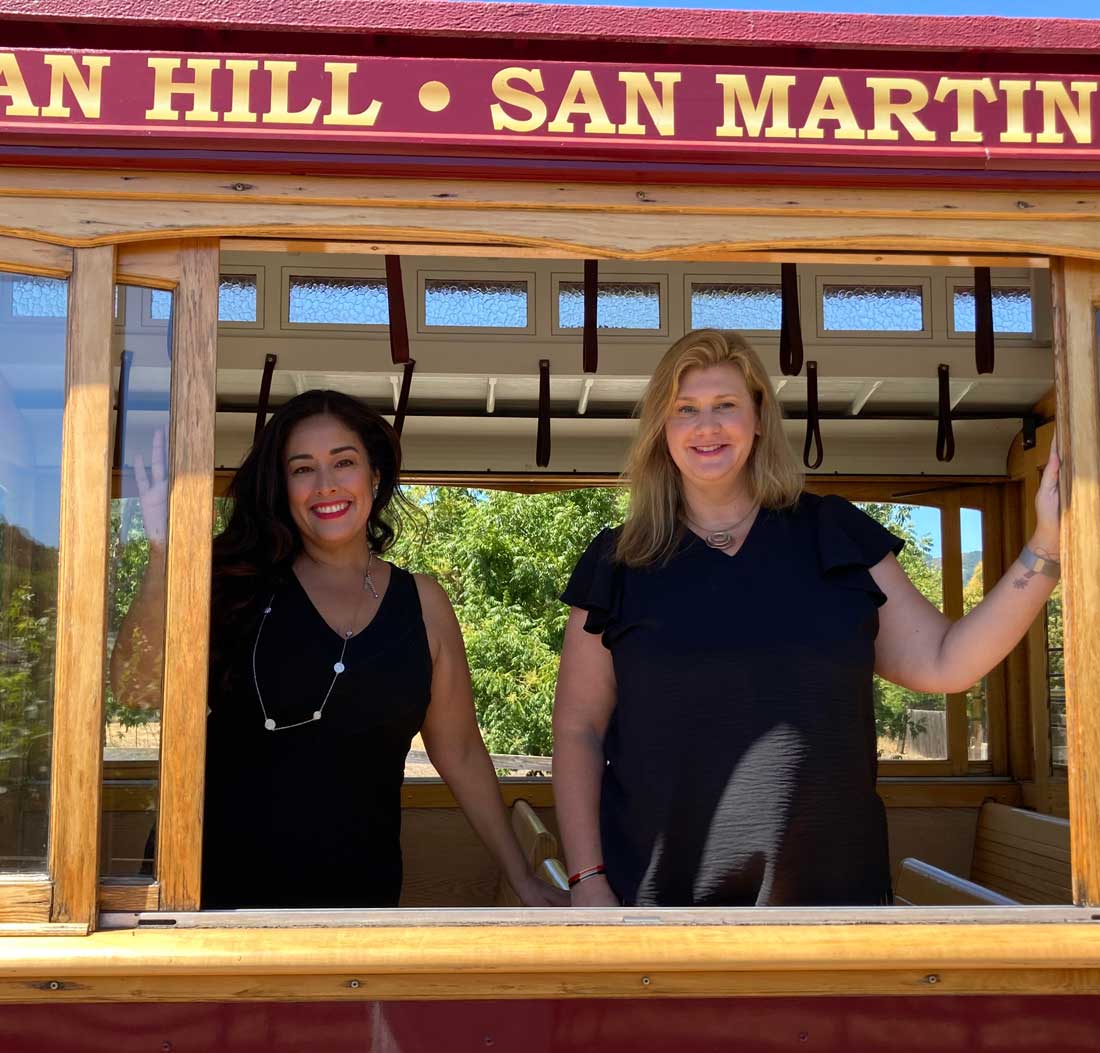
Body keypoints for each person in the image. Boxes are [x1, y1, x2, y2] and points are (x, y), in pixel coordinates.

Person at [552, 330, 1062, 908]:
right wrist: (586, 878)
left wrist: (1046, 546)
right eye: (684, 409)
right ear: (661, 430)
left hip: (832, 909)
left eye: (725, 405)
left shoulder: (834, 534)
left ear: (758, 419)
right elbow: (578, 730)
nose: (706, 426)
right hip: (657, 909)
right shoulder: (618, 562)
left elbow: (947, 663)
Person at [112, 389, 564, 909]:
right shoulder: (235, 583)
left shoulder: (424, 604)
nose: (325, 484)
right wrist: (164, 554)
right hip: (212, 901)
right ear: (282, 488)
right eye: (302, 469)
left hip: (355, 906)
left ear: (375, 475)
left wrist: (522, 877)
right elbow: (135, 688)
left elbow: (459, 751)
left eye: (343, 462)